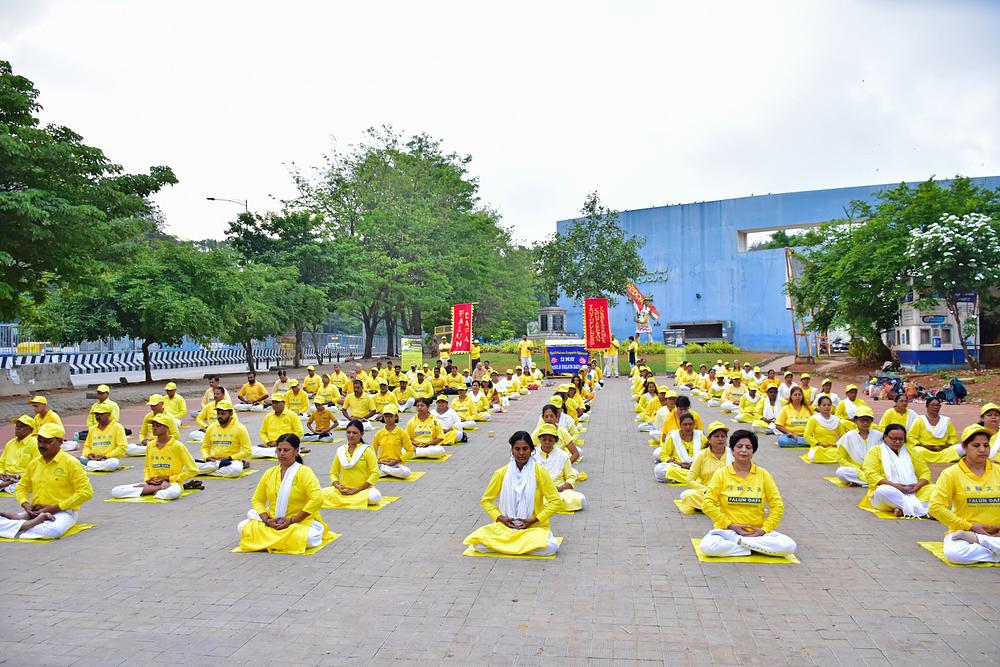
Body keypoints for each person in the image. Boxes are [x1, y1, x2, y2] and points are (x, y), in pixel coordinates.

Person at [699, 429, 797, 558]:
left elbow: (777, 505)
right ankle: (754, 547)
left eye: (748, 447)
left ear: (753, 451)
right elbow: (707, 504)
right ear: (732, 450)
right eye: (739, 446)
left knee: (789, 546)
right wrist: (730, 525)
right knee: (708, 547)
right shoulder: (721, 474)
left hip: (756, 533)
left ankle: (743, 545)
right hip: (728, 532)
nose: (744, 450)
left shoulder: (763, 474)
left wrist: (764, 529)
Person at [463, 431, 562, 556]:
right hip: (505, 528)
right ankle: (519, 546)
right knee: (478, 545)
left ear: (531, 450)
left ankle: (508, 546)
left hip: (532, 528)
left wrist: (533, 520)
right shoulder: (501, 473)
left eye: (525, 449)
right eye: (517, 449)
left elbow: (556, 502)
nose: (521, 453)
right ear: (512, 451)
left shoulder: (540, 472)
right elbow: (486, 500)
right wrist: (501, 519)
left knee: (550, 548)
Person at [237, 434, 331, 554]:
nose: (281, 453)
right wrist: (267, 520)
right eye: (279, 450)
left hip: (298, 524)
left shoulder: (304, 472)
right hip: (272, 522)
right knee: (241, 527)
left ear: (296, 451)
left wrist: (293, 520)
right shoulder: (269, 473)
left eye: (286, 450)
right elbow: (257, 500)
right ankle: (279, 540)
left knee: (310, 538)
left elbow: (317, 498)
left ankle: (270, 539)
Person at [0, 423, 93, 540]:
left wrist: (54, 508)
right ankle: (28, 523)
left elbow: (86, 492)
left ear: (60, 442)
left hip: (63, 512)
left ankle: (21, 525)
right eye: (40, 441)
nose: (42, 445)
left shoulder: (71, 463)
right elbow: (21, 487)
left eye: (47, 442)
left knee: (52, 531)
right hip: (35, 513)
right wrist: (26, 505)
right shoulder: (34, 464)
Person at [929, 425, 1000, 564]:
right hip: (964, 533)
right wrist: (970, 527)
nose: (982, 450)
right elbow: (935, 507)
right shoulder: (951, 473)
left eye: (986, 445)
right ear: (964, 447)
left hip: (995, 534)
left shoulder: (998, 470)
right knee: (955, 554)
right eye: (976, 445)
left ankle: (982, 542)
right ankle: (990, 546)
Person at [110, 415, 201, 500]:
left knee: (172, 493)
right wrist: (149, 479)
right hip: (153, 483)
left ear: (167, 428)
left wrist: (169, 479)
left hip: (172, 484)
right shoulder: (150, 445)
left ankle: (152, 491)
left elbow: (193, 469)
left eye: (158, 425)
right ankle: (155, 489)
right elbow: (147, 467)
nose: (154, 428)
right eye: (153, 425)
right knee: (116, 491)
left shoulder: (178, 446)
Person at [861, 424, 932, 518]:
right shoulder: (875, 451)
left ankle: (903, 509)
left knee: (935, 489)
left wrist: (918, 486)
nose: (897, 442)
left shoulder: (911, 451)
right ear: (885, 437)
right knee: (883, 490)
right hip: (889, 492)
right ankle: (923, 512)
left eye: (901, 439)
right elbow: (870, 474)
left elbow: (925, 472)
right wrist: (895, 486)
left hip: (913, 491)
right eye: (893, 438)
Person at [322, 420, 382, 508]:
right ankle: (350, 500)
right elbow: (333, 473)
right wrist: (338, 486)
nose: (351, 435)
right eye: (348, 432)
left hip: (363, 490)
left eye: (355, 433)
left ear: (361, 434)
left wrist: (357, 489)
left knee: (374, 497)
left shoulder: (366, 450)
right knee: (321, 493)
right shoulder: (341, 450)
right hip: (344, 490)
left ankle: (347, 500)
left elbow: (375, 473)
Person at [677, 422, 733, 514]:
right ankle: (718, 508)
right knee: (687, 495)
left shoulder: (732, 454)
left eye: (723, 436)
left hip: (728, 493)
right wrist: (706, 490)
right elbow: (690, 480)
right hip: (707, 493)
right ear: (709, 439)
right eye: (716, 436)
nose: (720, 439)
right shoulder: (702, 455)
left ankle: (710, 507)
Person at [534, 424, 585, 512]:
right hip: (538, 490)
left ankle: (547, 505)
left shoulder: (563, 456)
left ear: (555, 441)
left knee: (580, 499)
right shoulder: (532, 455)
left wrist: (561, 487)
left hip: (558, 490)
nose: (547, 442)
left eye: (550, 440)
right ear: (539, 440)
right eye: (544, 439)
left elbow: (571, 477)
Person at [197, 401, 252, 477]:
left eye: (223, 414)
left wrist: (229, 458)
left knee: (235, 470)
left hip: (231, 462)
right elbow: (205, 447)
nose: (219, 416)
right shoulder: (211, 428)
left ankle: (207, 470)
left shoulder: (240, 428)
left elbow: (248, 451)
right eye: (218, 413)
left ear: (231, 413)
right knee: (185, 468)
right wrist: (206, 457)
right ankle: (216, 467)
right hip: (213, 461)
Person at [653, 412, 707, 484]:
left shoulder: (700, 436)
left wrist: (695, 464)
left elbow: (708, 453)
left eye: (690, 424)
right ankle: (697, 479)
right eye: (685, 424)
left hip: (696, 467)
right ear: (680, 425)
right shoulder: (673, 437)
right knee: (659, 470)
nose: (688, 427)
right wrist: (678, 463)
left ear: (694, 424)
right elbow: (663, 454)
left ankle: (685, 478)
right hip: (678, 466)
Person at [834, 406, 881, 486]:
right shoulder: (848, 436)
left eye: (868, 420)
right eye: (862, 420)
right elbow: (841, 458)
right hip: (856, 469)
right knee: (841, 472)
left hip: (874, 470)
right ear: (855, 420)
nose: (865, 423)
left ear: (871, 421)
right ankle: (874, 482)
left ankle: (862, 482)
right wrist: (856, 467)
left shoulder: (879, 435)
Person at [908, 396, 960, 464]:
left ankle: (938, 458)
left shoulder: (946, 420)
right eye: (933, 405)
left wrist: (947, 445)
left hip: (943, 449)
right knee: (917, 451)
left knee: (960, 448)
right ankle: (945, 459)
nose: (936, 407)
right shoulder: (920, 420)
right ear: (927, 406)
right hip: (925, 449)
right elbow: (911, 437)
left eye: (938, 405)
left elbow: (953, 437)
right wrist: (922, 445)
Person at [78, 403, 127, 472]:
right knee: (76, 460)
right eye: (96, 414)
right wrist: (89, 454)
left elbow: (122, 447)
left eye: (101, 414)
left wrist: (105, 456)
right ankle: (92, 466)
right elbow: (86, 446)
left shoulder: (117, 427)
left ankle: (88, 466)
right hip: (92, 459)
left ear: (109, 414)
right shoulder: (92, 429)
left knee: (113, 463)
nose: (98, 416)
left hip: (108, 459)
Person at [255, 394, 305, 458]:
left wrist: (281, 443)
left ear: (283, 403)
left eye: (277, 402)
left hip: (286, 445)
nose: (275, 405)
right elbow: (262, 432)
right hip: (271, 446)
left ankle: (283, 452)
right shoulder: (268, 416)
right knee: (252, 450)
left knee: (284, 450)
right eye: (273, 403)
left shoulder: (292, 415)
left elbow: (299, 432)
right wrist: (267, 442)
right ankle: (292, 452)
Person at [373, 405, 414, 479]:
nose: (388, 419)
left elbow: (410, 451)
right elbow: (373, 451)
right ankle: (389, 472)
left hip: (397, 464)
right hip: (383, 463)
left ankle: (386, 471)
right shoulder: (379, 434)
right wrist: (379, 461)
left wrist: (396, 461)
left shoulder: (401, 433)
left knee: (406, 472)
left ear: (396, 417)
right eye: (386, 416)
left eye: (390, 416)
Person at [804, 396, 848, 463]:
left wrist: (836, 445)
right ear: (819, 406)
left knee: (841, 452)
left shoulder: (836, 420)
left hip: (833, 448)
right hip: (819, 447)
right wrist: (820, 444)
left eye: (829, 405)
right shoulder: (814, 419)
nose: (827, 407)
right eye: (824, 405)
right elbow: (807, 435)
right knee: (816, 453)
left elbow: (843, 437)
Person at [1, 416, 38, 493]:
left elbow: (37, 468)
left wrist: (18, 477)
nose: (18, 428)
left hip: (22, 479)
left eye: (22, 426)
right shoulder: (10, 443)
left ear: (30, 430)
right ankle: (4, 485)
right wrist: (1, 473)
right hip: (6, 477)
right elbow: (1, 463)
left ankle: (5, 486)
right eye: (17, 425)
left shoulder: (35, 444)